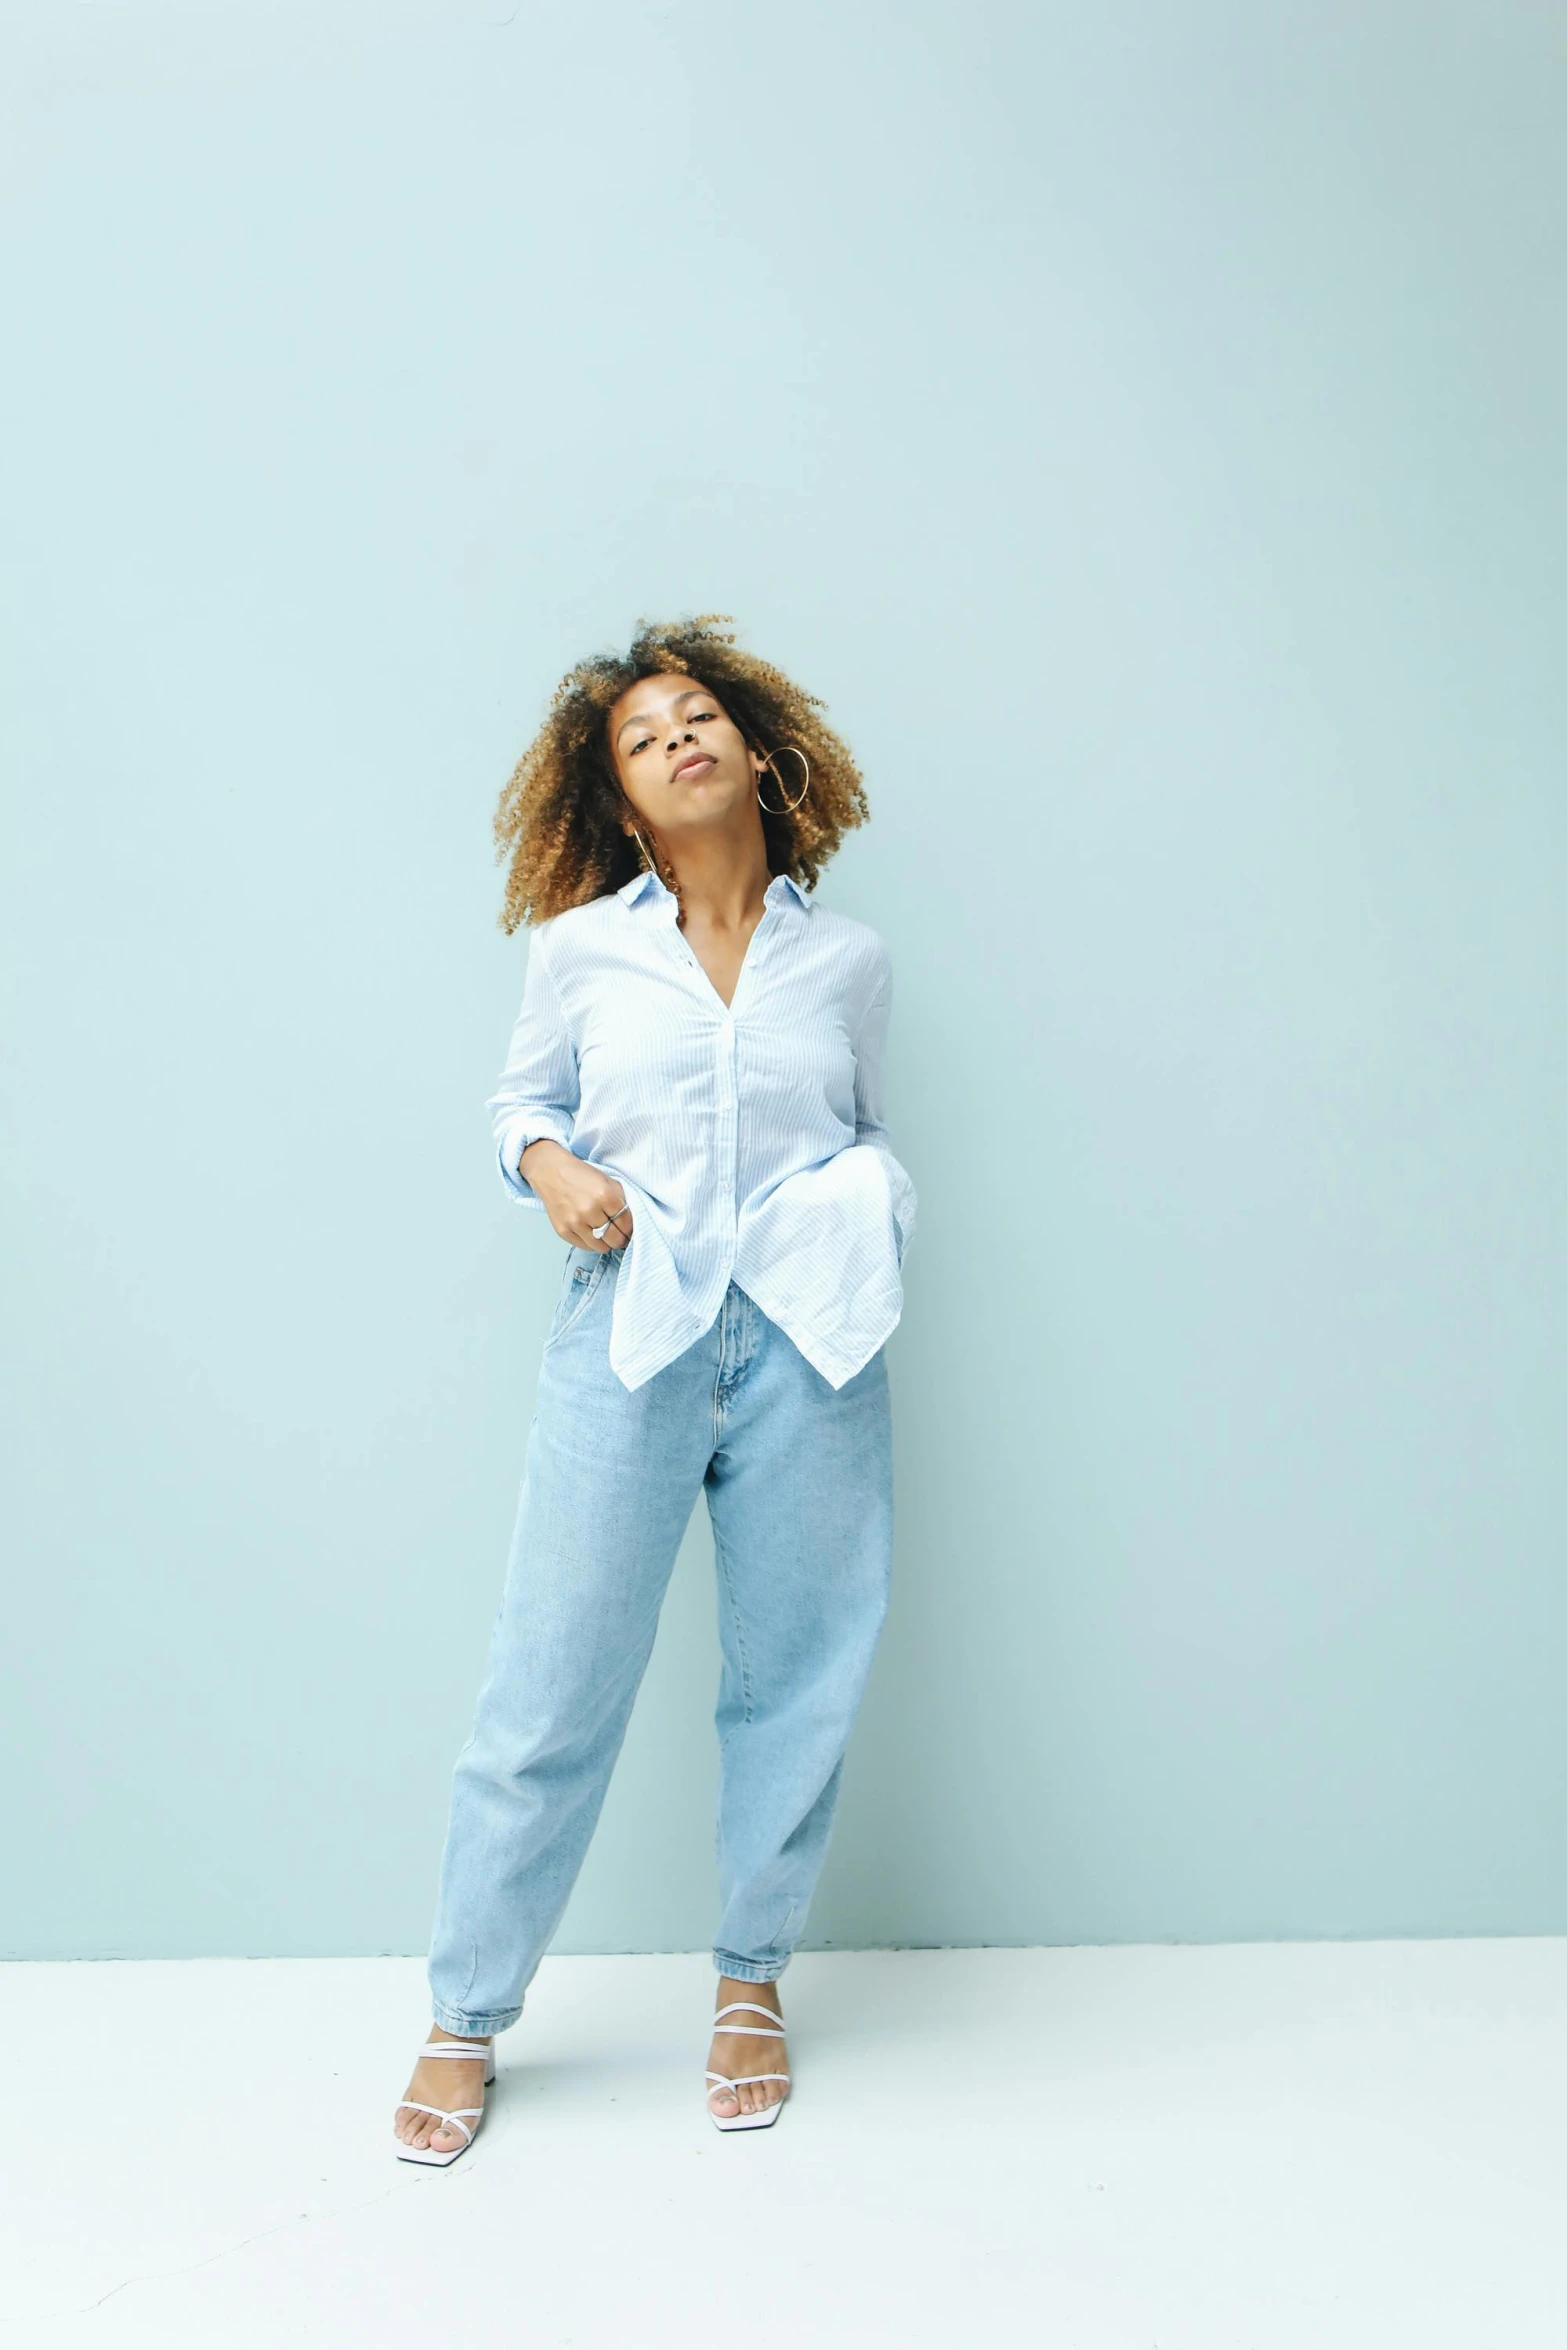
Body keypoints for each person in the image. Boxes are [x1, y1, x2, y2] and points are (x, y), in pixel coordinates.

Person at [392, 614, 916, 2160]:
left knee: (796, 1675)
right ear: (622, 800)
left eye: (700, 716)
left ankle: (750, 1978)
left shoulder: (850, 959)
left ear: (757, 751)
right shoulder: (582, 949)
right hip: (630, 1333)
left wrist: (864, 1212)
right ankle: (462, 2014)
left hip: (810, 1344)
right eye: (644, 734)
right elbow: (516, 1103)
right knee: (550, 1680)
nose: (680, 736)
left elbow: (870, 1127)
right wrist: (552, 1168)